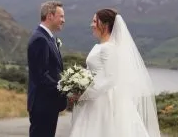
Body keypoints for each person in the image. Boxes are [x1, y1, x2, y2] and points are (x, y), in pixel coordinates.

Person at [69, 8, 161, 137]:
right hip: (95, 99)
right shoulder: (102, 46)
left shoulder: (109, 48)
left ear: (105, 24)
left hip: (104, 102)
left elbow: (110, 79)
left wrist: (84, 95)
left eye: (95, 21)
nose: (92, 25)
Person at [27, 1, 67, 137]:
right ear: (50, 16)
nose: (63, 20)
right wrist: (64, 88)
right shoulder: (40, 39)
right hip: (42, 104)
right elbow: (41, 76)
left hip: (48, 104)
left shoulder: (48, 38)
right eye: (61, 16)